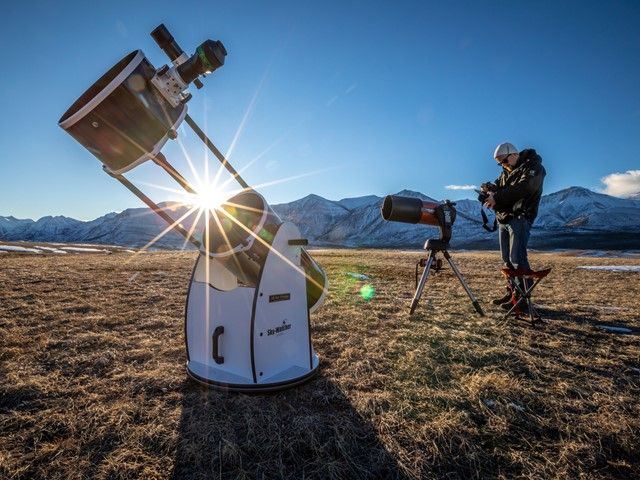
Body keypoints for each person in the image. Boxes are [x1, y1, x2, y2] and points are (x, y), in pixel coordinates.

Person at [481, 142, 546, 308]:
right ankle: (513, 293)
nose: (503, 165)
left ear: (514, 154)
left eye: (504, 161)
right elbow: (500, 188)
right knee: (506, 261)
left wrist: (498, 198)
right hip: (504, 218)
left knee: (517, 258)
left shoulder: (534, 168)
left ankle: (523, 298)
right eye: (500, 163)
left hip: (520, 217)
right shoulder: (506, 172)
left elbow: (523, 188)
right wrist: (488, 191)